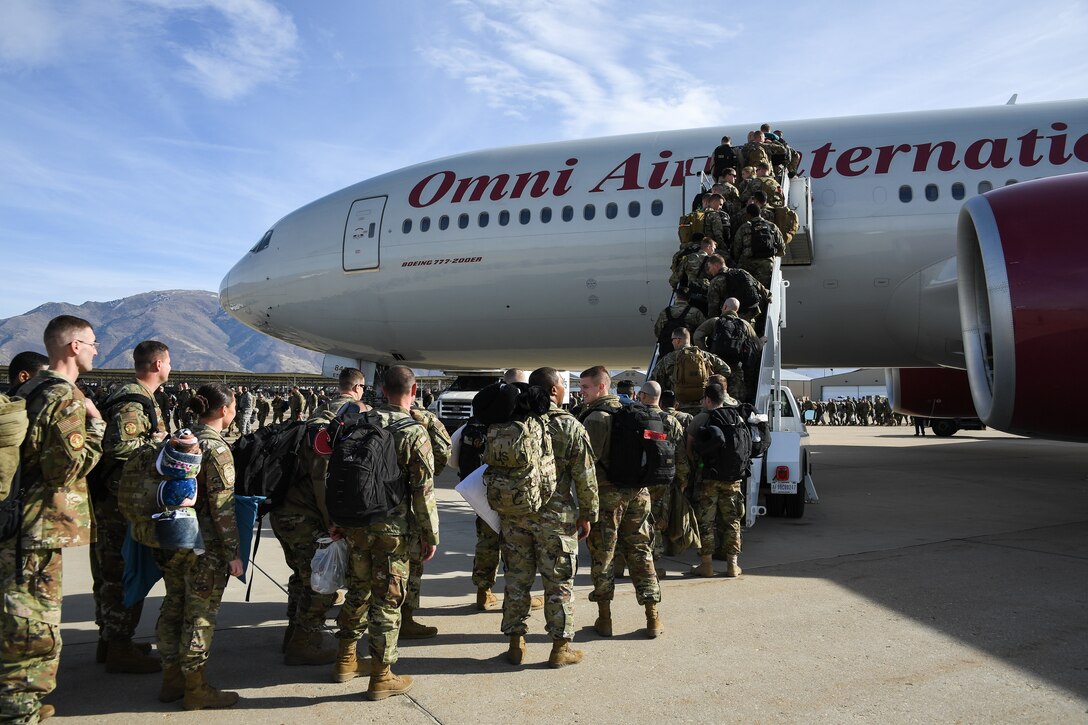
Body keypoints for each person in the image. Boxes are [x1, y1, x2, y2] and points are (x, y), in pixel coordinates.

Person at [0, 316, 105, 724]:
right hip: (36, 530)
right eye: (93, 343)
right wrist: (96, 425)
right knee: (33, 628)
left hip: (17, 520)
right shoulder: (65, 396)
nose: (98, 349)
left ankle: (24, 702)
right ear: (74, 346)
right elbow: (64, 469)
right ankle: (19, 710)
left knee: (17, 618)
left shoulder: (29, 387)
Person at [333, 366, 439, 700]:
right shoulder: (413, 432)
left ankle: (346, 659)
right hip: (393, 531)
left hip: (356, 524)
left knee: (358, 591)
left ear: (381, 389)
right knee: (388, 602)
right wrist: (430, 534)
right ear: (415, 389)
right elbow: (422, 491)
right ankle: (381, 675)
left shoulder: (362, 422)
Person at [497, 368, 598, 667]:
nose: (567, 390)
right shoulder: (569, 426)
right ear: (553, 390)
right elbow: (585, 476)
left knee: (516, 580)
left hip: (515, 515)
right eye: (563, 385)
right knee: (559, 584)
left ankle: (516, 645)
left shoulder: (514, 421)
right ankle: (559, 648)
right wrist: (588, 514)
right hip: (556, 518)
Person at [153, 383, 243, 710]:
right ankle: (195, 687)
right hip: (204, 546)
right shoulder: (217, 449)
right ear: (223, 410)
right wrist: (233, 553)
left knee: (174, 604)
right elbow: (223, 507)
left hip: (174, 536)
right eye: (233, 407)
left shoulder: (180, 437)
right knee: (200, 613)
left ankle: (171, 680)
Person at [271, 368, 368, 670]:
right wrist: (333, 520)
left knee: (302, 576)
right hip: (304, 515)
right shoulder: (342, 419)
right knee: (322, 584)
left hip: (284, 510)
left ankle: (294, 634)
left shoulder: (320, 412)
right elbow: (322, 476)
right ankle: (303, 644)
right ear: (358, 387)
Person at [91, 340, 171, 674]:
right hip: (120, 503)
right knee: (122, 572)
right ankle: (119, 647)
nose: (170, 368)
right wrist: (161, 445)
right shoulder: (134, 400)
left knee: (115, 571)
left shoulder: (141, 397)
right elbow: (121, 447)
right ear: (156, 364)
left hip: (122, 499)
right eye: (168, 362)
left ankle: (112, 642)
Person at [577, 366, 663, 639]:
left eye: (586, 388)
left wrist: (583, 506)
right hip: (639, 493)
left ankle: (605, 619)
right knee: (640, 551)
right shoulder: (632, 411)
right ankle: (652, 618)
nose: (582, 393)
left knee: (603, 557)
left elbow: (586, 466)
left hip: (607, 497)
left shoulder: (596, 418)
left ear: (602, 387)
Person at [401, 394, 452, 639]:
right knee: (410, 568)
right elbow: (443, 450)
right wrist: (430, 532)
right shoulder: (423, 420)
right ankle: (406, 619)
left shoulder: (366, 416)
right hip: (407, 507)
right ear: (413, 392)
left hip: (369, 508)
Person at [686, 383, 746, 579]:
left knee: (705, 522)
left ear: (708, 400)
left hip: (708, 479)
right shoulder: (737, 417)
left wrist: (698, 467)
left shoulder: (701, 418)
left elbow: (689, 448)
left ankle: (707, 565)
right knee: (732, 521)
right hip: (733, 479)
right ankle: (732, 565)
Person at [634, 382, 688, 577]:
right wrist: (682, 479)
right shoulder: (671, 422)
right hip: (661, 479)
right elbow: (680, 454)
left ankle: (620, 563)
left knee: (632, 520)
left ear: (643, 396)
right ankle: (653, 567)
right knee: (655, 522)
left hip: (635, 478)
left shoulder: (633, 417)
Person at [693, 299, 761, 403]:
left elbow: (697, 336)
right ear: (737, 310)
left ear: (724, 307)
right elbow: (757, 345)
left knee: (713, 395)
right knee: (736, 399)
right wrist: (762, 340)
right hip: (735, 366)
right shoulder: (745, 324)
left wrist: (707, 354)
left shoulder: (715, 321)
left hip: (715, 366)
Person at [651, 328, 732, 413]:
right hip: (702, 406)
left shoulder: (669, 358)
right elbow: (726, 370)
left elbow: (654, 378)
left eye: (672, 339)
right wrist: (710, 380)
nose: (672, 342)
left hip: (680, 407)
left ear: (678, 340)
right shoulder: (704, 356)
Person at [733, 203, 785, 290]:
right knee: (765, 291)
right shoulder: (772, 226)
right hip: (767, 264)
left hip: (747, 264)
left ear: (748, 215)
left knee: (748, 290)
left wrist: (738, 260)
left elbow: (736, 248)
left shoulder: (744, 228)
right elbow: (782, 247)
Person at [653, 288, 706, 361]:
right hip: (688, 354)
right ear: (689, 299)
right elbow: (704, 330)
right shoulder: (695, 312)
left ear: (676, 298)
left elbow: (657, 331)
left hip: (667, 351)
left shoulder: (665, 312)